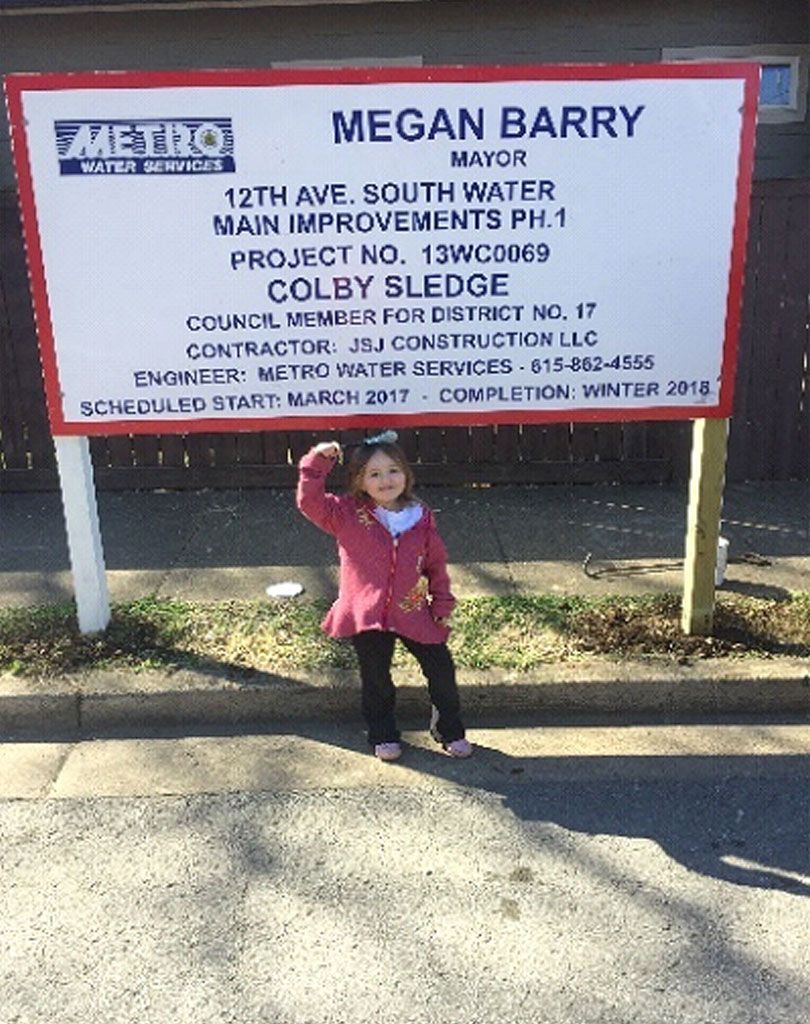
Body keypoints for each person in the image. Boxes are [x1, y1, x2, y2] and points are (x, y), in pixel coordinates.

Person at [296, 430, 472, 762]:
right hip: (367, 613)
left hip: (412, 610)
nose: (386, 480)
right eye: (374, 474)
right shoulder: (345, 513)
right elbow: (309, 502)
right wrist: (316, 462)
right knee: (376, 677)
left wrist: (442, 601)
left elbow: (435, 564)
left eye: (393, 470)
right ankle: (383, 733)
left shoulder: (421, 516)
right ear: (359, 481)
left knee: (441, 669)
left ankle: (449, 728)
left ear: (406, 474)